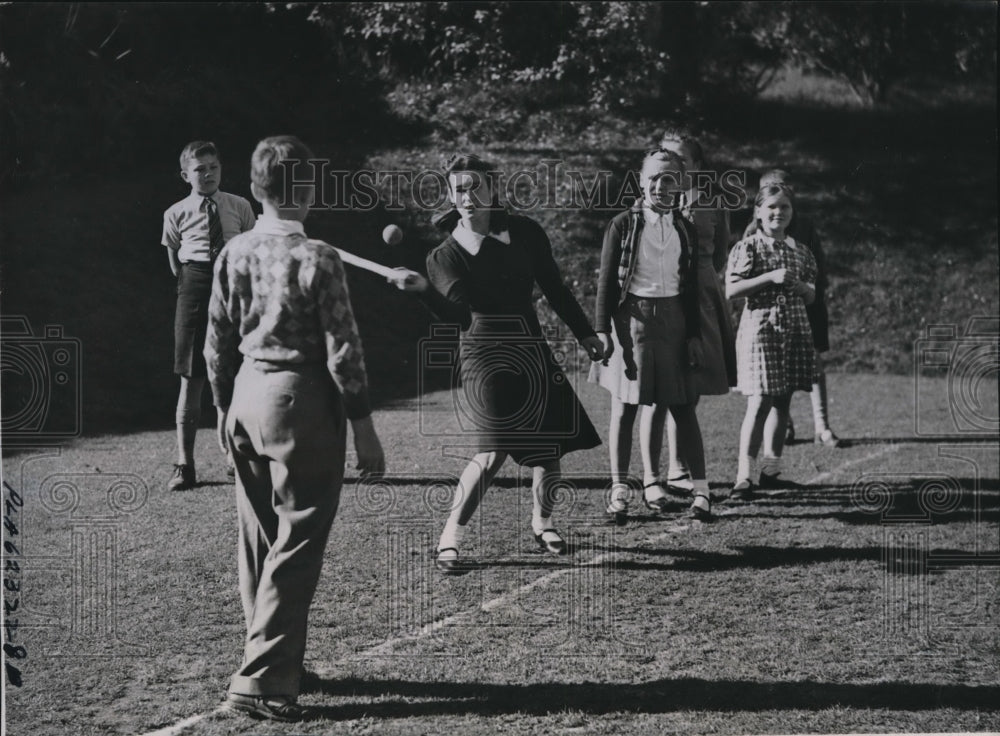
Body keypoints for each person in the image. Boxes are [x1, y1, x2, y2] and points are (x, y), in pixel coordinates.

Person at [204, 135, 386, 722]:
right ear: (305, 189)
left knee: (258, 537)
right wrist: (364, 426)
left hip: (245, 395)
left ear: (255, 189)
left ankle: (277, 661)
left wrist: (220, 408)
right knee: (298, 538)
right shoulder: (318, 256)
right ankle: (261, 680)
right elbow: (343, 350)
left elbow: (215, 345)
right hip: (298, 399)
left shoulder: (233, 250)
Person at [401, 153, 604, 573]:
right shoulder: (445, 254)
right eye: (460, 189)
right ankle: (449, 540)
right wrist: (423, 290)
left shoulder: (526, 232)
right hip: (484, 352)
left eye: (476, 186)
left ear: (493, 189)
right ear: (452, 196)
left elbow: (555, 287)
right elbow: (457, 315)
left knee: (549, 448)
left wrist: (586, 333)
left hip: (530, 343)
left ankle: (543, 523)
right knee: (491, 451)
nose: (469, 195)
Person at [589, 149, 712, 522]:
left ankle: (703, 492)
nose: (661, 185)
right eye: (654, 178)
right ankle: (620, 491)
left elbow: (689, 288)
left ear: (680, 185)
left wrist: (692, 334)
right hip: (632, 322)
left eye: (670, 179)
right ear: (641, 182)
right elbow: (607, 280)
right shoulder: (623, 224)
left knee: (682, 405)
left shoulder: (685, 229)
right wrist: (601, 328)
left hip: (674, 321)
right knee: (625, 407)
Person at [161, 141, 255, 491]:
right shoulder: (175, 213)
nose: (208, 173)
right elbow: (175, 263)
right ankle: (185, 465)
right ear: (186, 175)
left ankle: (236, 457)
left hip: (235, 287)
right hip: (196, 287)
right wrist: (199, 282)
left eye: (213, 166)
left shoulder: (240, 206)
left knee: (234, 374)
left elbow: (249, 249)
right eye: (200, 169)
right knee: (191, 376)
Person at [657, 129, 737, 493]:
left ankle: (678, 467)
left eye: (681, 160)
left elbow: (720, 255)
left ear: (697, 166)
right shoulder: (655, 200)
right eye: (667, 158)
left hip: (703, 297)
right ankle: (657, 474)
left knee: (690, 386)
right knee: (658, 386)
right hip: (662, 296)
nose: (673, 166)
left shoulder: (713, 204)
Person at [726, 183, 817, 500]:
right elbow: (732, 290)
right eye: (772, 207)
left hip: (793, 329)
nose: (778, 212)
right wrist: (770, 277)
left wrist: (804, 289)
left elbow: (812, 294)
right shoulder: (748, 246)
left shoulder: (800, 250)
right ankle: (744, 477)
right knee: (761, 399)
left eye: (785, 208)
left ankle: (771, 472)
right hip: (761, 329)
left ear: (792, 213)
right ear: (759, 212)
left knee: (783, 399)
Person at [745, 169, 841, 448]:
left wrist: (806, 289)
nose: (777, 207)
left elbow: (818, 270)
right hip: (769, 316)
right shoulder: (752, 232)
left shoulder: (805, 226)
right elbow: (741, 280)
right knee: (774, 374)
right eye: (769, 194)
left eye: (783, 192)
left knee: (814, 365)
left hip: (805, 309)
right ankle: (784, 427)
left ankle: (822, 427)